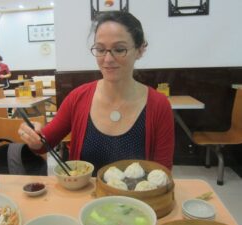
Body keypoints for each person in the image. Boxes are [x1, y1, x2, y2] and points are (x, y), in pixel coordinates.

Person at [18, 11, 174, 173]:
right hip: (86, 197)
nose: (107, 59)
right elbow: (44, 143)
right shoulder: (78, 98)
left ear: (140, 50)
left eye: (119, 49)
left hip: (136, 198)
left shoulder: (159, 105)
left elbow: (162, 173)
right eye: (100, 49)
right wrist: (34, 137)